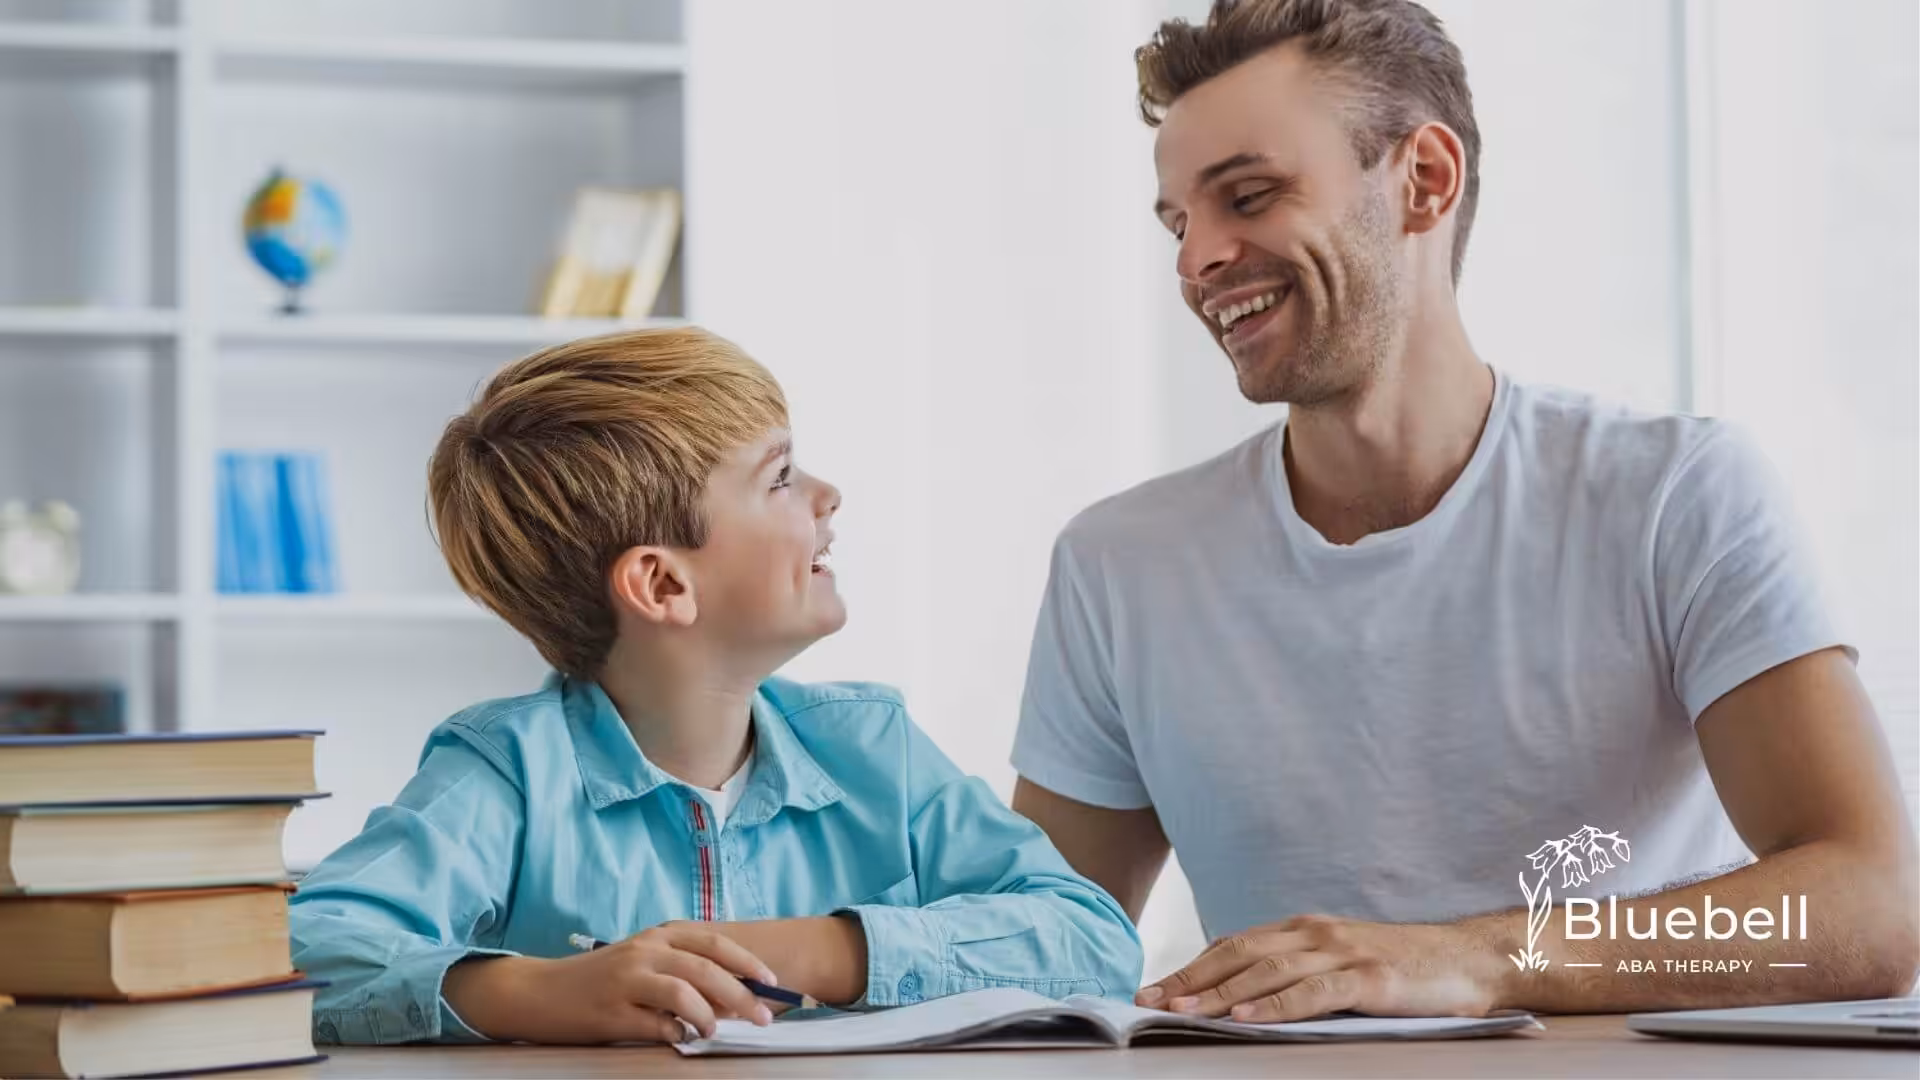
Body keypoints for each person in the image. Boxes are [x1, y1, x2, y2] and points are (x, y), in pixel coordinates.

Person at [1010, 0, 1917, 1023]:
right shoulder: (1120, 565)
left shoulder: (1674, 494)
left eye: (1249, 197)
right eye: (1180, 223)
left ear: (1424, 181)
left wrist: (1476, 959)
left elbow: (1871, 907)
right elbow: (1038, 946)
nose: (1196, 261)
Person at [289, 327, 1141, 1045]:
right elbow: (304, 949)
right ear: (663, 587)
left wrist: (810, 949)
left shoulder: (872, 748)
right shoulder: (509, 771)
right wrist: (541, 993)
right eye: (779, 478)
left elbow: (1093, 938)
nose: (826, 494)